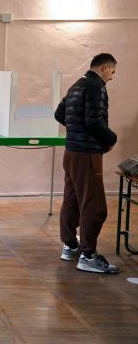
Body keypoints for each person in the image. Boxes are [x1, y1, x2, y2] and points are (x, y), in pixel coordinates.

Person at [54, 53, 119, 274]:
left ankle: (70, 245)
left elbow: (59, 113)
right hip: (87, 155)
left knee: (72, 200)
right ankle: (88, 255)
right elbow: (94, 122)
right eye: (112, 72)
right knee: (94, 205)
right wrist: (111, 139)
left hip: (71, 152)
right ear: (105, 67)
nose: (112, 77)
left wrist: (76, 129)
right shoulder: (96, 86)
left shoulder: (77, 85)